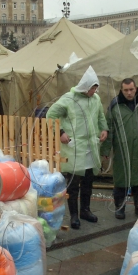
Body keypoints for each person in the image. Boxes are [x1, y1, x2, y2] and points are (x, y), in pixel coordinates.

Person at [47, 66, 109, 230]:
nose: (94, 91)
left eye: (96, 88)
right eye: (92, 88)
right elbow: (51, 115)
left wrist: (104, 129)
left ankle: (85, 210)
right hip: (74, 147)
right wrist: (60, 132)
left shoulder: (95, 99)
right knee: (74, 183)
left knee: (88, 180)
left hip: (91, 146)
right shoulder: (69, 99)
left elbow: (100, 116)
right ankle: (74, 215)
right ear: (85, 87)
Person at [101, 78, 138, 219]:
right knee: (121, 179)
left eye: (131, 89)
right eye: (126, 90)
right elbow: (109, 128)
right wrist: (106, 149)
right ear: (121, 90)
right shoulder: (115, 106)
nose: (129, 93)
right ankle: (120, 207)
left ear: (135, 88)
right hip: (121, 149)